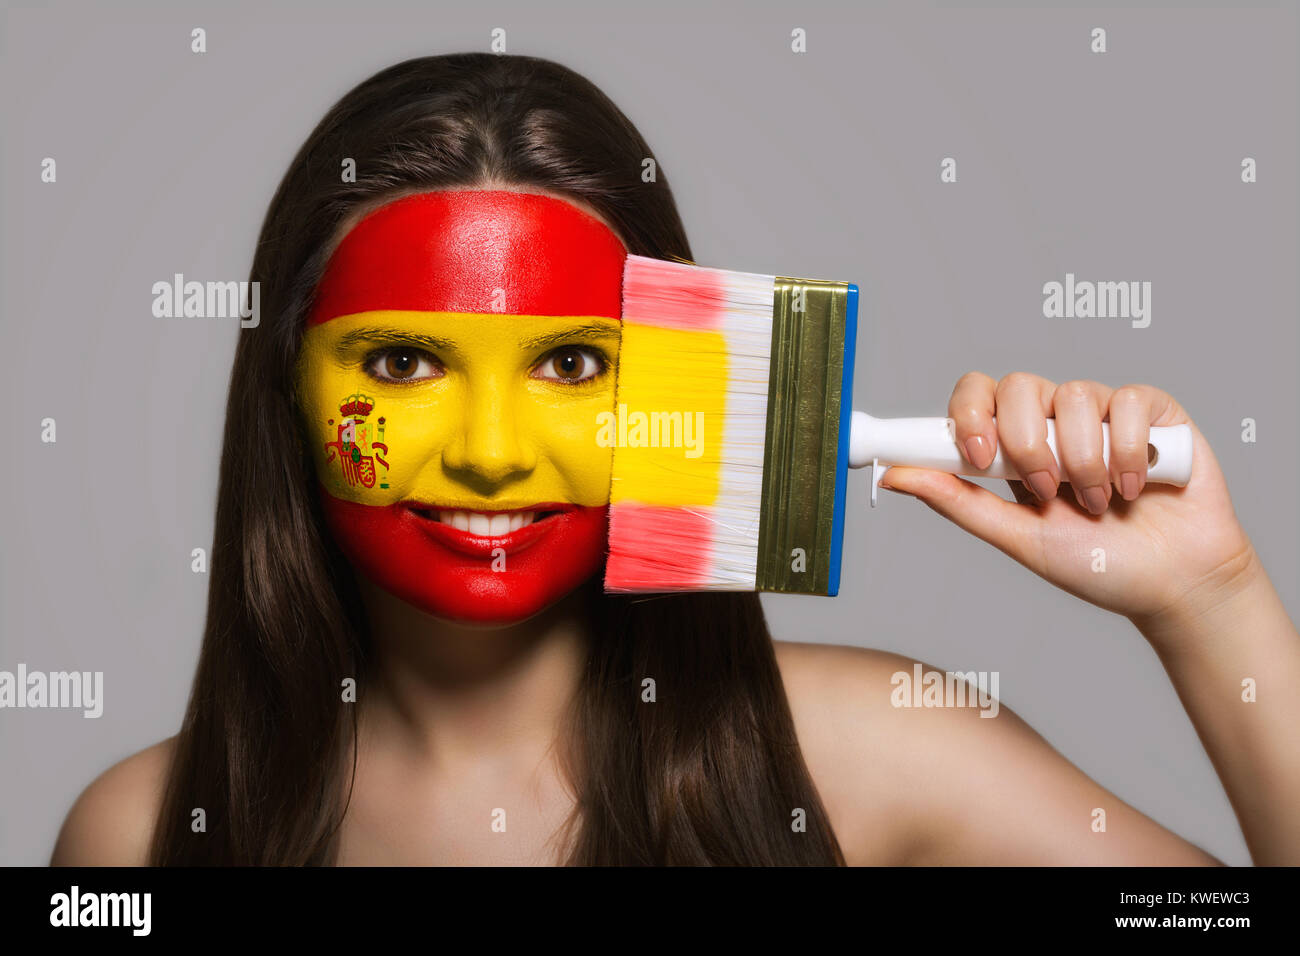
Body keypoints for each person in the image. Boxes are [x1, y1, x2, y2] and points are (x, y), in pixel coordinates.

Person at [51, 53, 1299, 866]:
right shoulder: (134, 841)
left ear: (683, 385)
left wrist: (1211, 603)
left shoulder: (880, 754)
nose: (491, 457)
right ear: (285, 386)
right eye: (400, 364)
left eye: (575, 366)